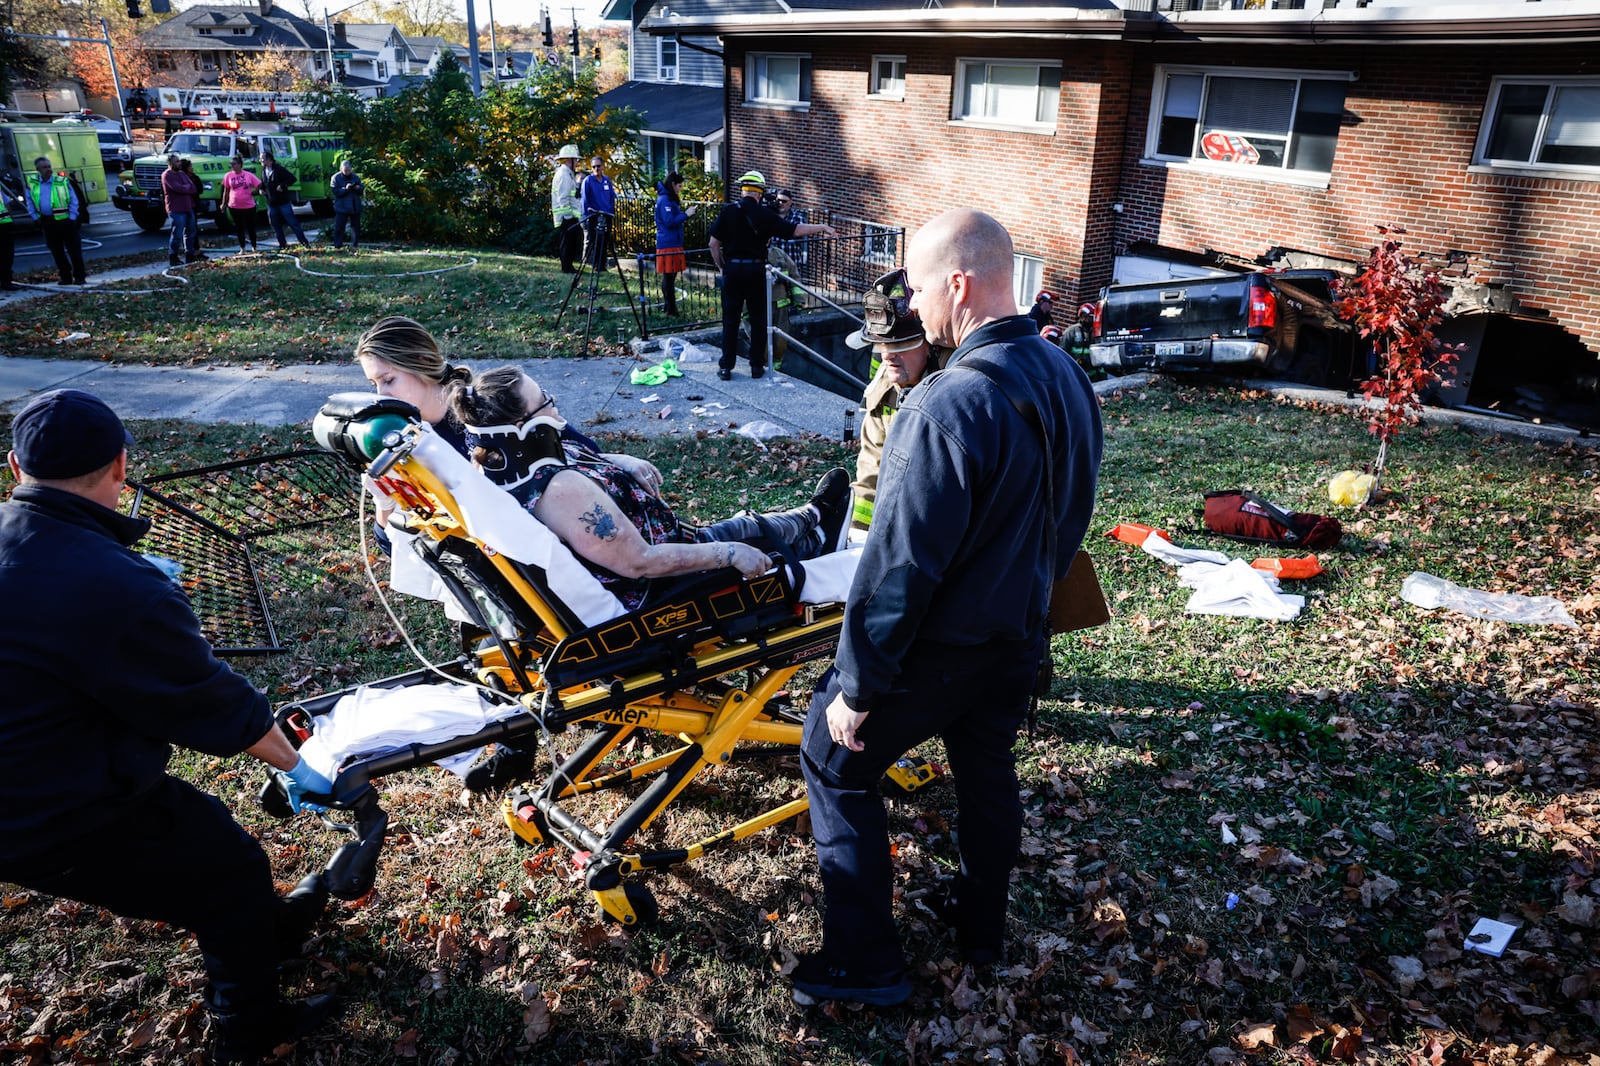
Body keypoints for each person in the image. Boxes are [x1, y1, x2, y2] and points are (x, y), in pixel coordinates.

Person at [791, 208, 1103, 1008]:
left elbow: (898, 569)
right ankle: (982, 929)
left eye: (923, 286)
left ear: (960, 284)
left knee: (833, 763)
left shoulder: (944, 405)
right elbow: (1074, 512)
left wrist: (856, 687)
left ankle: (865, 964)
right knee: (985, 770)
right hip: (1019, 637)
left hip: (944, 648)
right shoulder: (1067, 374)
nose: (918, 306)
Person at [0, 389, 340, 1062]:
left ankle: (269, 932)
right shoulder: (120, 587)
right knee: (227, 870)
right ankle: (248, 1024)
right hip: (45, 806)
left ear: (15, 468)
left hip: (32, 759)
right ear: (122, 466)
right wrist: (303, 767)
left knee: (208, 836)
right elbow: (212, 705)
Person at [446, 365, 852, 611]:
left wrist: (621, 462)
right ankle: (818, 543)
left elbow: (580, 461)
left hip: (678, 539)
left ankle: (814, 518)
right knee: (753, 544)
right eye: (544, 401)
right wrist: (728, 555)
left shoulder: (508, 464)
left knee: (747, 525)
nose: (554, 406)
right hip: (663, 590)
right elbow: (639, 562)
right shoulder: (560, 491)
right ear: (522, 427)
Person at [707, 169, 836, 381]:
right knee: (759, 320)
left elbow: (713, 243)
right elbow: (795, 230)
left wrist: (722, 266)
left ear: (743, 191)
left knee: (730, 321)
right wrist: (822, 226)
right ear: (759, 193)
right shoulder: (765, 215)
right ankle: (756, 366)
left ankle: (726, 367)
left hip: (733, 271)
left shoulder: (728, 211)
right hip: (756, 271)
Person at [843, 268, 943, 536]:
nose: (888, 356)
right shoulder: (883, 393)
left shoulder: (954, 393)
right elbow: (870, 475)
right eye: (881, 346)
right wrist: (858, 536)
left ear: (930, 342)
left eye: (900, 346)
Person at [24, 157, 87, 286]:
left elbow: (74, 200)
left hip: (65, 221)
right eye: (45, 167)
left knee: (74, 250)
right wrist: (35, 218)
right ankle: (66, 277)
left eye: (49, 166)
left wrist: (72, 218)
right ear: (38, 170)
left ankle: (80, 277)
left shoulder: (62, 181)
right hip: (47, 222)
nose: (48, 169)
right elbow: (29, 201)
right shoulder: (33, 184)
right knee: (57, 252)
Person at [654, 171, 695, 317]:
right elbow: (669, 221)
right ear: (672, 184)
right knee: (669, 277)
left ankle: (669, 306)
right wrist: (686, 214)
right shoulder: (665, 200)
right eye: (679, 186)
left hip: (672, 240)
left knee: (670, 276)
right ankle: (671, 308)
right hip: (668, 242)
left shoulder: (668, 199)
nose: (680, 188)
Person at [261, 150, 308, 250]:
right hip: (271, 203)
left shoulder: (279, 169)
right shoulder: (264, 170)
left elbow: (292, 179)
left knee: (293, 223)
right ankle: (282, 244)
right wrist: (261, 189)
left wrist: (283, 185)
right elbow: (264, 183)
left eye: (262, 159)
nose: (261, 160)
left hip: (283, 202)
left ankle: (304, 243)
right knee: (275, 224)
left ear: (269, 160)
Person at [161, 155, 201, 267]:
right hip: (176, 208)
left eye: (179, 161)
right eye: (177, 162)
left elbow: (193, 188)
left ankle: (189, 254)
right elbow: (177, 188)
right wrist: (186, 188)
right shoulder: (166, 175)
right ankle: (173, 256)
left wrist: (186, 188)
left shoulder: (182, 174)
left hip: (188, 206)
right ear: (170, 163)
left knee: (190, 232)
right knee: (177, 233)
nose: (179, 163)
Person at [579, 155, 616, 271]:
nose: (596, 169)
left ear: (603, 167)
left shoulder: (606, 181)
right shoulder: (588, 181)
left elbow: (611, 197)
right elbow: (585, 199)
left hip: (606, 216)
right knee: (593, 242)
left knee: (604, 241)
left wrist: (611, 212)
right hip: (593, 216)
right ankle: (590, 264)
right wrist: (587, 216)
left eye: (598, 166)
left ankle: (601, 266)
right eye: (593, 166)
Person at [550, 144, 583, 273]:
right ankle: (566, 268)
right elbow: (563, 198)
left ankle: (569, 266)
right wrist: (568, 216)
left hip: (569, 216)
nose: (577, 162)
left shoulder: (567, 174)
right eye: (576, 159)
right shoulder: (564, 174)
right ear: (569, 160)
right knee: (567, 243)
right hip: (566, 217)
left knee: (570, 243)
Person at [220, 154, 262, 254]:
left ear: (240, 164)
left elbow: (258, 184)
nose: (232, 166)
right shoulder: (228, 176)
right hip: (234, 206)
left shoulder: (248, 175)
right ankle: (242, 248)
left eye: (234, 164)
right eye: (231, 164)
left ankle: (254, 247)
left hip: (249, 206)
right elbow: (226, 191)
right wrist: (223, 204)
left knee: (251, 227)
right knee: (239, 227)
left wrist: (254, 192)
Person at [330, 159, 363, 252]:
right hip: (342, 207)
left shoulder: (355, 177)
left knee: (355, 227)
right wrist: (345, 189)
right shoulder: (335, 178)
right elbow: (335, 192)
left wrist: (358, 188)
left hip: (355, 206)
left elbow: (361, 189)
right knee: (339, 227)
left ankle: (355, 245)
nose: (347, 172)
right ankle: (337, 245)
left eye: (349, 170)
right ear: (341, 169)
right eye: (345, 170)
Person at [1062, 301, 1097, 372]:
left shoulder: (1096, 333)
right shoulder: (1071, 332)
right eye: (1090, 317)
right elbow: (1062, 353)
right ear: (1082, 317)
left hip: (1092, 377)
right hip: (1073, 373)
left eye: (1093, 317)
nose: (1092, 320)